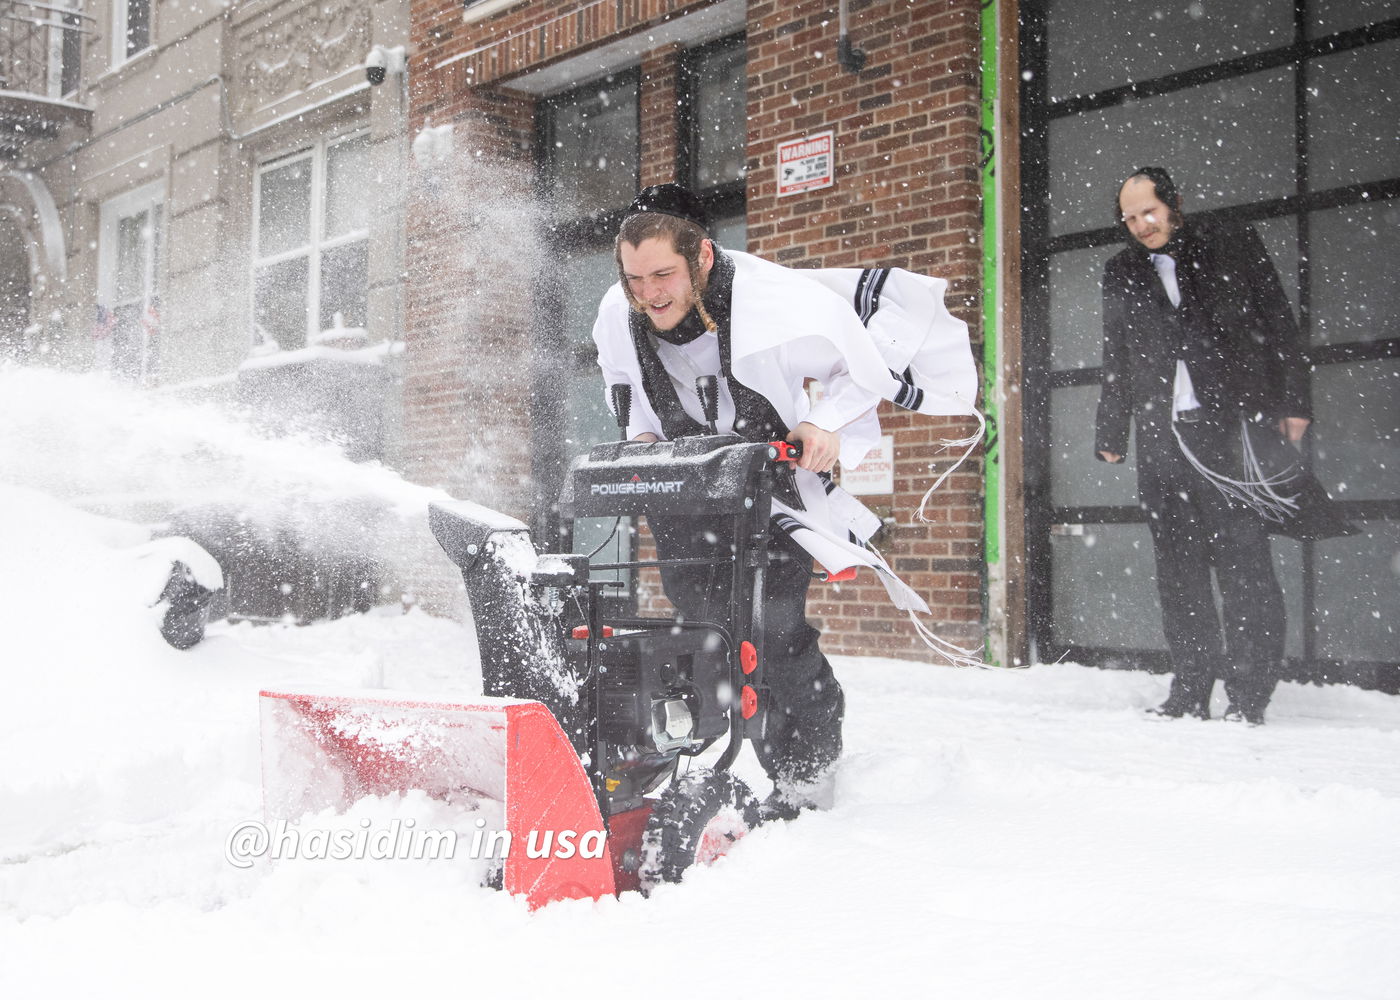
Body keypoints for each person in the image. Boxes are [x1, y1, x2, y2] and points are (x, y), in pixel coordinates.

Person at [590, 183, 978, 812]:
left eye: (663, 274)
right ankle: (695, 756)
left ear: (704, 257)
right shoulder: (618, 308)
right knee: (702, 633)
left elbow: (863, 358)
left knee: (772, 629)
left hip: (769, 488)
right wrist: (639, 438)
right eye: (635, 278)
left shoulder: (771, 297)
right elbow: (619, 377)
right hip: (687, 489)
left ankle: (806, 773)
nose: (648, 292)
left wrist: (826, 422)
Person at [1096, 166, 1311, 725]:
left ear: (1173, 204)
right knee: (1179, 572)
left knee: (1245, 568)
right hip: (1162, 439)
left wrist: (1294, 404)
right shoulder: (1120, 272)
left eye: (1149, 211)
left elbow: (1277, 320)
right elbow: (1116, 352)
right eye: (1130, 217)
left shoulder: (1228, 244)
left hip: (1230, 431)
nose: (1141, 225)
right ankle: (1190, 691)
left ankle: (1247, 699)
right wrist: (1111, 430)